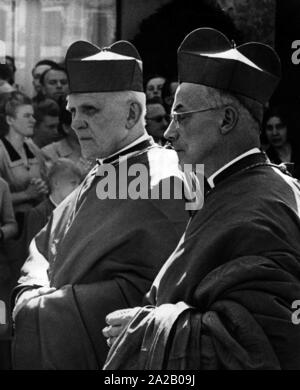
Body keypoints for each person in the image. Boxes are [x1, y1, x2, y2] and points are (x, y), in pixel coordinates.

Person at [103, 28, 300, 370]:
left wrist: (147, 328)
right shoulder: (227, 187)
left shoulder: (261, 208)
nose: (168, 132)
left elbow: (267, 342)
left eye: (181, 116)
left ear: (226, 119)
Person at [12, 39, 189, 369]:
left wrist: (44, 308)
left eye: (90, 110)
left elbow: (168, 290)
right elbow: (44, 244)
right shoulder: (102, 170)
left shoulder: (173, 175)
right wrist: (32, 290)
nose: (76, 122)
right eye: (73, 110)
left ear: (132, 113)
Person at [0, 93, 48, 225]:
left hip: (36, 222)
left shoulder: (34, 149)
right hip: (10, 228)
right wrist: (27, 194)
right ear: (10, 120)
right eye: (27, 116)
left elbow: (45, 183)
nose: (33, 120)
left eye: (32, 115)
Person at [24, 158, 82, 251]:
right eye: (73, 183)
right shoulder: (38, 214)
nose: (78, 187)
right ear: (56, 183)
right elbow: (33, 251)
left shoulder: (80, 208)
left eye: (79, 183)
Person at [42, 108, 93, 176]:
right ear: (66, 128)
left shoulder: (100, 149)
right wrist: (78, 174)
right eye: (81, 124)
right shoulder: (50, 153)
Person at [0, 178, 18, 370]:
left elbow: (12, 225)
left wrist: (1, 233)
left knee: (2, 327)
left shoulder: (2, 185)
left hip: (0, 270)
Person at [263, 105, 300, 178]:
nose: (274, 133)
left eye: (279, 127)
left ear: (287, 128)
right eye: (269, 128)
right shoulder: (266, 161)